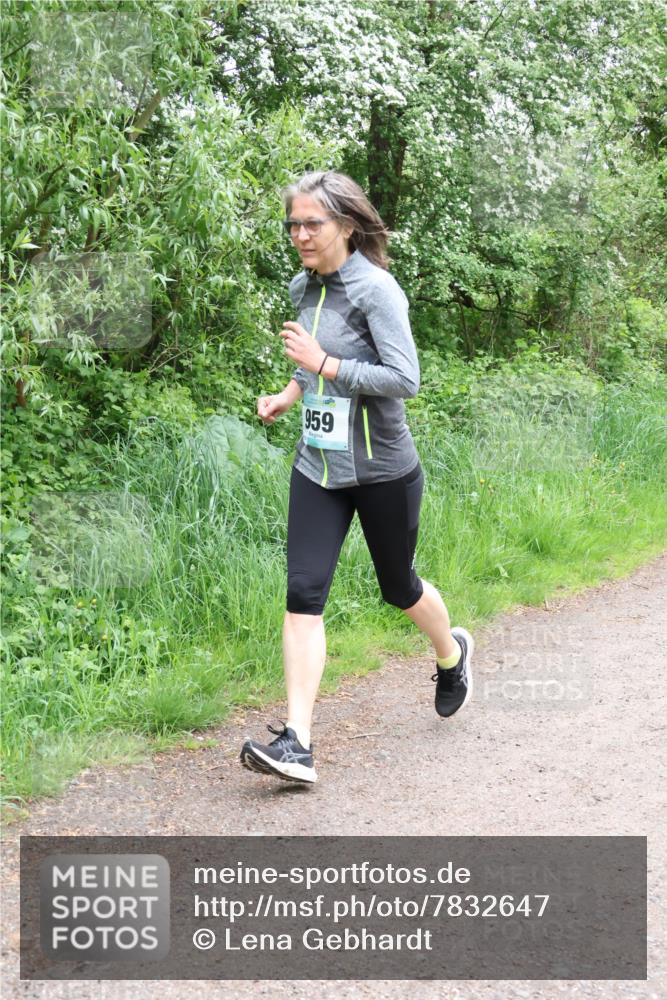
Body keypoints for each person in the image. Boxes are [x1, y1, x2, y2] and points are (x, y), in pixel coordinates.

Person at [240, 170, 473, 784]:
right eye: (293, 223)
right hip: (318, 466)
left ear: (346, 225)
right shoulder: (301, 288)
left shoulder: (378, 291)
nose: (299, 234)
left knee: (398, 586)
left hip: (382, 470)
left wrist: (326, 364)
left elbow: (404, 379)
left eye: (312, 223)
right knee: (303, 592)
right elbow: (313, 371)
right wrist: (291, 391)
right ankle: (297, 742)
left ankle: (452, 657)